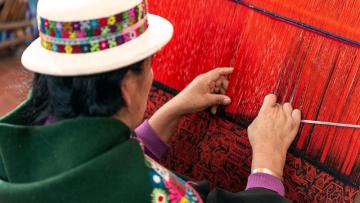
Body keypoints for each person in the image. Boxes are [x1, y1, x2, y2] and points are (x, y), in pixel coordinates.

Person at [0, 0, 301, 202]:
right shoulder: (161, 193)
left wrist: (172, 110)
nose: (153, 74)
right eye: (149, 64)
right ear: (127, 86)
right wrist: (268, 161)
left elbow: (91, 161)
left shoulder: (9, 150)